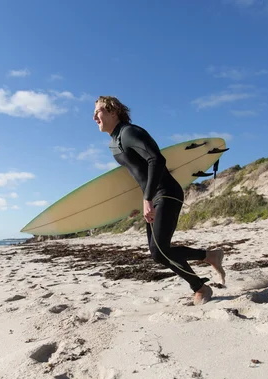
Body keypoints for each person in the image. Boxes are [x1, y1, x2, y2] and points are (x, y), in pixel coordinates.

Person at [93, 96, 225, 305]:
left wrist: (147, 198)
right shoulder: (114, 145)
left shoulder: (129, 132)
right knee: (158, 253)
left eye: (98, 111)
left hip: (166, 192)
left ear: (113, 111)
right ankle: (208, 259)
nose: (94, 117)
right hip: (153, 195)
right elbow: (138, 175)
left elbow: (156, 159)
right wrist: (137, 203)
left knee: (161, 249)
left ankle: (201, 285)